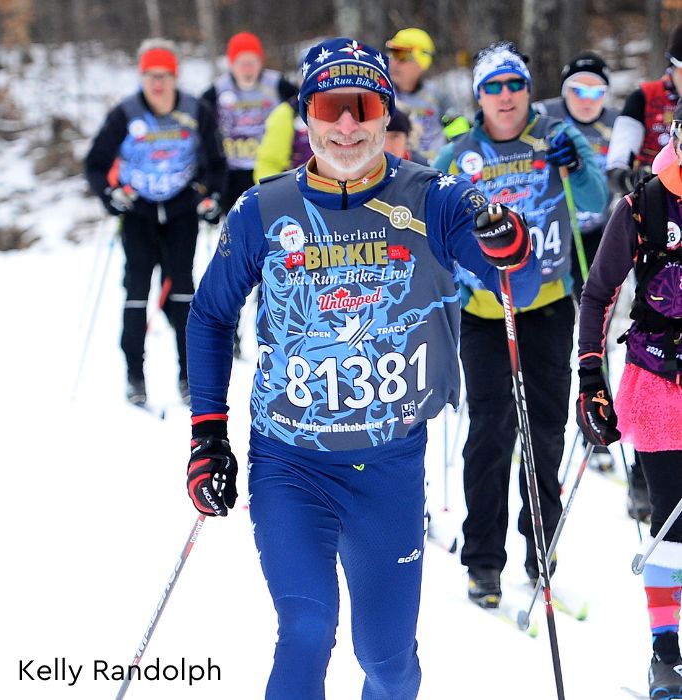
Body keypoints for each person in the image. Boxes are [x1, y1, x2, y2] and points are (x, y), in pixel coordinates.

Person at [185, 37, 540, 700]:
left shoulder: (431, 198)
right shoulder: (263, 210)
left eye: (364, 105)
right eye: (329, 105)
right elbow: (208, 315)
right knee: (307, 627)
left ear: (385, 112)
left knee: (388, 662)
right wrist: (209, 434)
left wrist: (506, 241)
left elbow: (515, 275)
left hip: (390, 464)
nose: (346, 124)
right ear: (306, 115)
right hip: (292, 462)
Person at [433, 41, 608, 608]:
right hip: (485, 313)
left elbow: (595, 198)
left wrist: (576, 163)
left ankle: (542, 547)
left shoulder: (555, 135)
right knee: (489, 433)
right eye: (493, 87)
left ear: (528, 90)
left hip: (549, 306)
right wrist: (450, 277)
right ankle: (483, 559)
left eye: (515, 85)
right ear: (479, 96)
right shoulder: (460, 152)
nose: (505, 97)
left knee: (546, 429)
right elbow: (425, 220)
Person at [576, 100, 682, 700]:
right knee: (673, 525)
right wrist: (591, 377)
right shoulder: (643, 204)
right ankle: (666, 653)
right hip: (659, 383)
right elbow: (597, 295)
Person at [85, 38, 227, 406]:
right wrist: (109, 195)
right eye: (150, 76)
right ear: (141, 77)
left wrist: (211, 195)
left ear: (175, 77)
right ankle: (135, 375)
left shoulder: (196, 110)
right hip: (139, 213)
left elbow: (216, 162)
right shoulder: (126, 113)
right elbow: (95, 163)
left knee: (183, 292)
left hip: (181, 211)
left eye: (164, 76)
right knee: (136, 293)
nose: (158, 85)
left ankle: (188, 376)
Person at [533, 51, 630, 477]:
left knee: (597, 327)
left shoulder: (617, 122)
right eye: (578, 90)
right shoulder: (544, 115)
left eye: (596, 91)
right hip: (555, 232)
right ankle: (540, 413)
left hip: (601, 234)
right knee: (553, 323)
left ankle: (597, 411)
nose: (587, 100)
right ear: (563, 89)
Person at [202, 31, 296, 356]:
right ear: (231, 63)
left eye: (252, 61)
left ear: (260, 62)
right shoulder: (217, 91)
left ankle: (268, 323)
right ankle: (230, 330)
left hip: (270, 174)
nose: (247, 68)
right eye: (241, 62)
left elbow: (304, 110)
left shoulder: (277, 85)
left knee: (271, 252)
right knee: (235, 256)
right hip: (232, 177)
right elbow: (198, 124)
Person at [606, 21, 682, 195]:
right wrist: (633, 179)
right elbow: (615, 168)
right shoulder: (643, 98)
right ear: (671, 66)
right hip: (655, 201)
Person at [385, 28, 457, 162]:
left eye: (401, 56)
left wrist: (456, 124)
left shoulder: (438, 97)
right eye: (392, 54)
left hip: (433, 172)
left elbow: (460, 138)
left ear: (422, 61)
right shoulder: (381, 95)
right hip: (397, 171)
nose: (394, 63)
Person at [253, 49, 313, 182]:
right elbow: (269, 164)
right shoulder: (286, 114)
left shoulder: (355, 109)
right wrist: (274, 196)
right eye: (307, 77)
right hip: (300, 193)